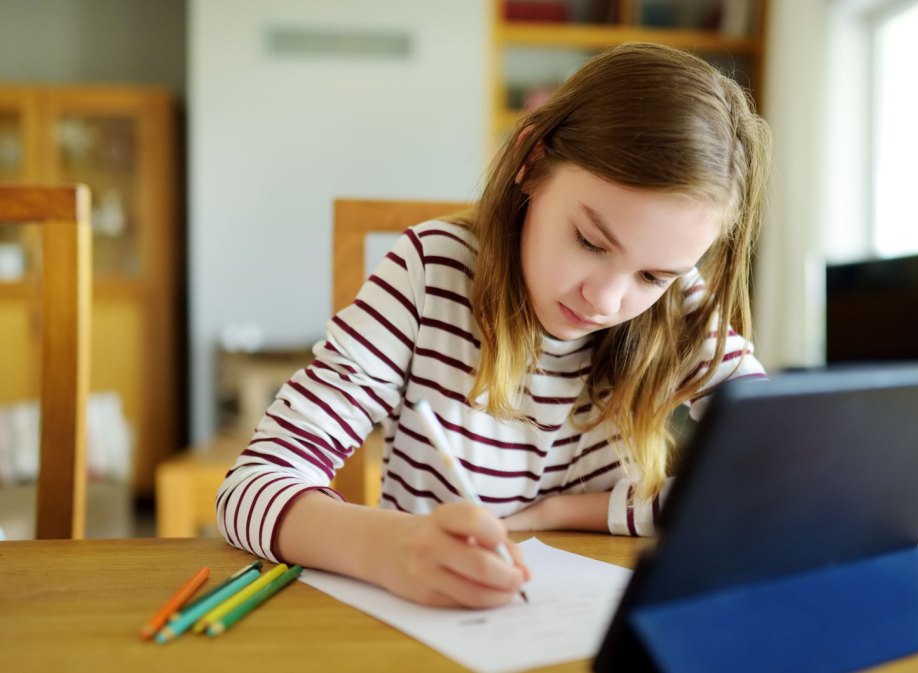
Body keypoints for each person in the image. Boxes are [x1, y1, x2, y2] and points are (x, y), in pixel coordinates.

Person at [216, 42, 771, 610]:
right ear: (530, 161)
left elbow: (776, 487)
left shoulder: (677, 305)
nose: (606, 300)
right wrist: (389, 549)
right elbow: (250, 487)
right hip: (434, 618)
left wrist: (564, 513)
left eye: (652, 275)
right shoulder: (429, 274)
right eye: (589, 241)